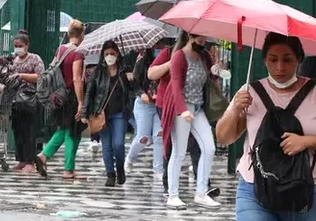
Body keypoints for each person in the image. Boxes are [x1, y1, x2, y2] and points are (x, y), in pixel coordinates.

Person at [216, 33, 316, 220]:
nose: (280, 67)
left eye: (287, 60)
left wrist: (306, 141)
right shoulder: (249, 92)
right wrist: (235, 110)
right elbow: (224, 137)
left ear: (299, 59)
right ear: (264, 61)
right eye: (273, 59)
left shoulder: (314, 93)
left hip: (305, 190)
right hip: (255, 187)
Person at [161, 33, 221, 209]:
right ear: (190, 37)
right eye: (199, 41)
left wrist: (216, 71)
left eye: (204, 41)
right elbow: (175, 86)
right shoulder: (179, 56)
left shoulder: (204, 55)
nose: (202, 44)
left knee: (209, 148)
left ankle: (201, 192)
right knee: (179, 151)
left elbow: (211, 77)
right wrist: (182, 110)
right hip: (182, 107)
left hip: (198, 107)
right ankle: (173, 195)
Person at [35, 20, 87, 179]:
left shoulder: (60, 50)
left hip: (59, 96)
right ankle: (68, 169)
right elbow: (77, 78)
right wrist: (80, 102)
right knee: (74, 131)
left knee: (63, 128)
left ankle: (43, 156)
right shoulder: (77, 52)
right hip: (71, 96)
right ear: (81, 34)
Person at [81, 41, 134, 187]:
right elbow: (89, 93)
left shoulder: (124, 70)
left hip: (120, 113)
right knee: (106, 145)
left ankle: (120, 168)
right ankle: (110, 174)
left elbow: (132, 90)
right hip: (101, 113)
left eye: (112, 53)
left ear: (118, 54)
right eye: (106, 54)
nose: (110, 57)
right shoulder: (97, 72)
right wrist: (85, 113)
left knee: (118, 144)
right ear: (102, 56)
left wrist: (131, 79)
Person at [125, 46, 165, 178]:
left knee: (159, 136)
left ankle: (158, 169)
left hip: (160, 103)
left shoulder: (167, 57)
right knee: (143, 137)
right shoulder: (142, 58)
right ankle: (130, 158)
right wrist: (141, 93)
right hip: (144, 104)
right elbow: (135, 81)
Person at [9, 30, 44, 173]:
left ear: (27, 45)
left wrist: (22, 76)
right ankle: (22, 159)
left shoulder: (35, 59)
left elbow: (40, 76)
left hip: (31, 99)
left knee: (30, 130)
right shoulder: (13, 61)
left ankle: (30, 160)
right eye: (16, 46)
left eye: (20, 45)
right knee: (18, 130)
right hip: (16, 99)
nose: (18, 48)